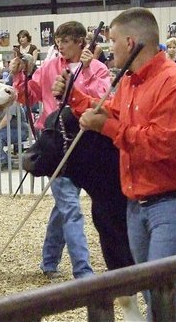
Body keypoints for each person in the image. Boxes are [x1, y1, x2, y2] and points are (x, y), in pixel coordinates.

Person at [52, 7, 176, 321]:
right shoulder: (129, 83)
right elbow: (112, 111)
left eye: (111, 40)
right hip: (138, 201)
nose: (107, 48)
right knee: (153, 291)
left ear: (130, 42)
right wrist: (75, 97)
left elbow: (162, 143)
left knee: (161, 291)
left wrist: (106, 128)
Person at [10, 20, 110, 280]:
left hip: (85, 144)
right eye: (58, 41)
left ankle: (49, 260)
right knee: (70, 206)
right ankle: (83, 272)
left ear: (80, 42)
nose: (60, 46)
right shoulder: (49, 67)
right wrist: (19, 74)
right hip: (55, 141)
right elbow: (28, 95)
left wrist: (86, 72)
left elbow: (100, 100)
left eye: (66, 41)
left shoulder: (98, 69)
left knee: (63, 207)